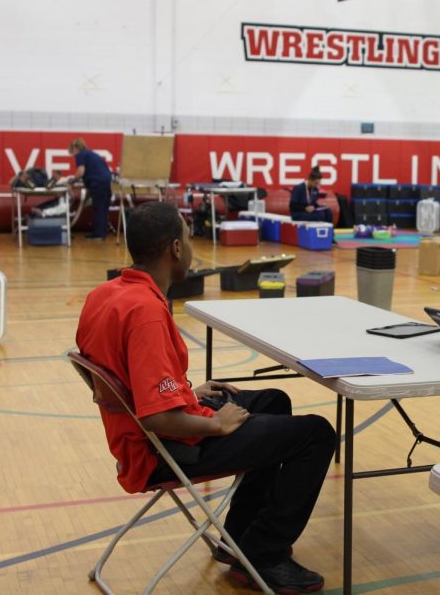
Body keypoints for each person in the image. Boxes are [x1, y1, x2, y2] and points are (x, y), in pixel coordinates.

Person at [76, 202, 335, 592]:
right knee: (316, 434)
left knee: (274, 400)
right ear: (175, 249)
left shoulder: (107, 293)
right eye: (187, 236)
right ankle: (264, 557)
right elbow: (155, 418)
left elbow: (130, 386)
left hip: (147, 433)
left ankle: (238, 541)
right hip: (163, 449)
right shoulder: (145, 311)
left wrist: (183, 392)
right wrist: (215, 424)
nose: (192, 245)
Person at [68, 138, 113, 240]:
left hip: (98, 183)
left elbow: (81, 172)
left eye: (72, 151)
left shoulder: (81, 155)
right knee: (103, 208)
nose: (73, 154)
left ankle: (98, 234)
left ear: (75, 148)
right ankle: (101, 232)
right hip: (106, 182)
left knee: (98, 208)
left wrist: (72, 181)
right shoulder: (91, 154)